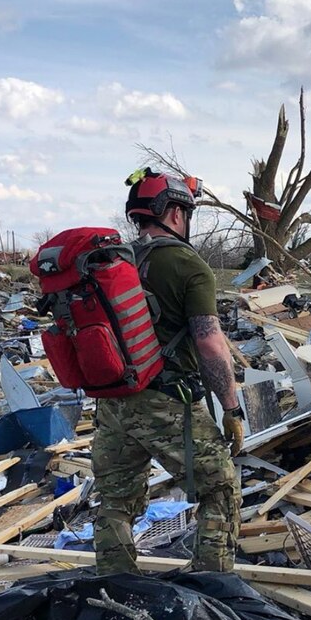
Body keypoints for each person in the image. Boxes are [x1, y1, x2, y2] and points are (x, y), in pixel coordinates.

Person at [92, 169, 243, 575]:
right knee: (220, 487)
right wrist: (231, 408)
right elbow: (210, 344)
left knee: (115, 500)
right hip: (166, 402)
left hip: (112, 402)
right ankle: (214, 584)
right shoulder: (187, 265)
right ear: (175, 213)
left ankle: (115, 585)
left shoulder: (113, 263)